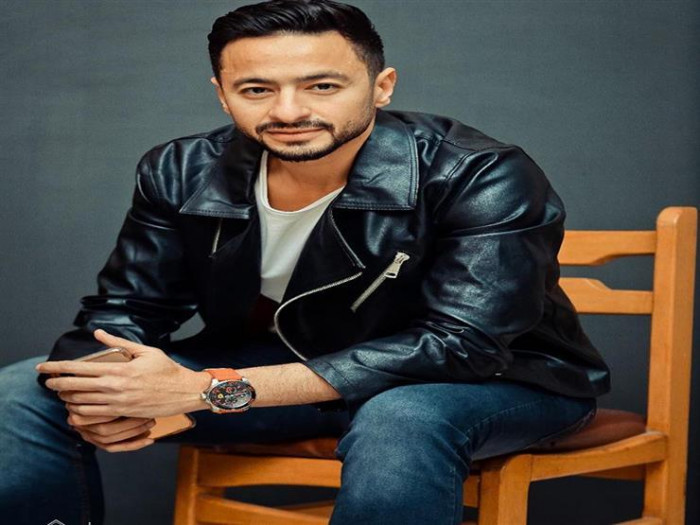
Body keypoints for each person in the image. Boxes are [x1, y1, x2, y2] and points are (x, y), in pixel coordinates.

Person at [0, 1, 610, 523]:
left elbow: (464, 345)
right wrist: (104, 394)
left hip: (491, 382)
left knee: (399, 415)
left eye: (322, 86)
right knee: (27, 390)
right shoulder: (180, 169)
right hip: (282, 375)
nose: (288, 112)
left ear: (381, 86)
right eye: (256, 89)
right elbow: (127, 308)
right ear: (222, 94)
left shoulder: (479, 172)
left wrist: (212, 391)